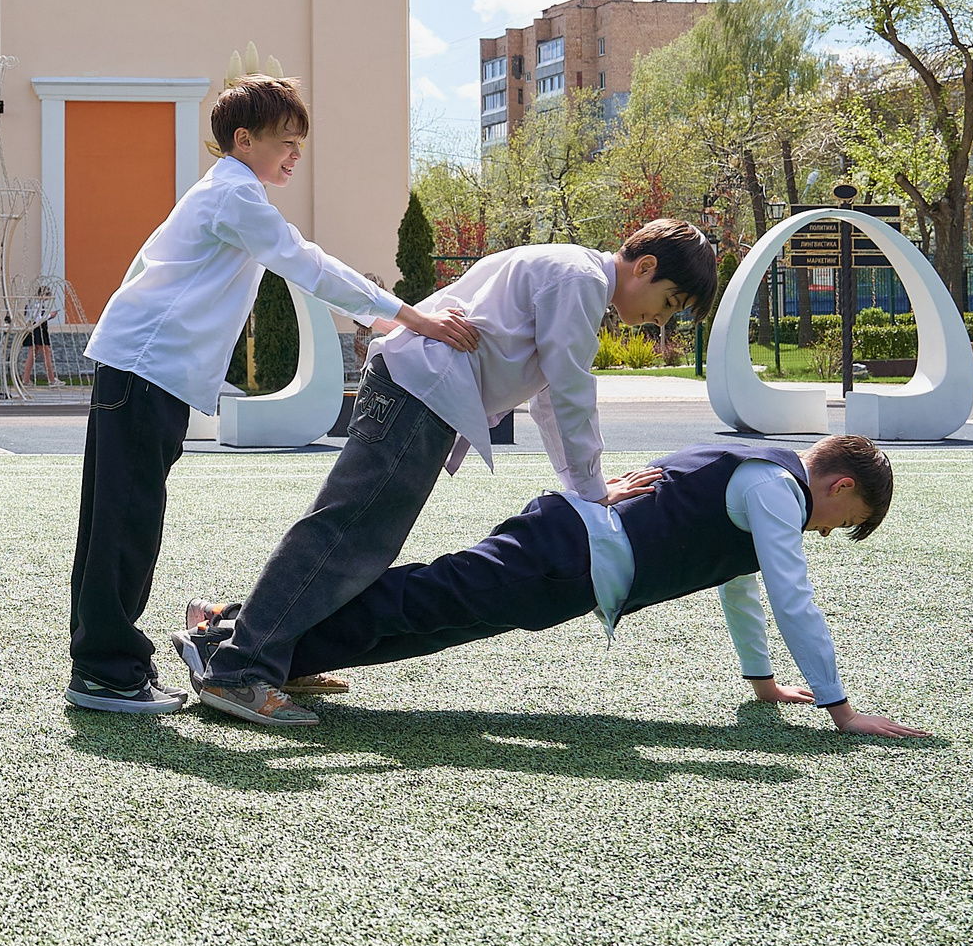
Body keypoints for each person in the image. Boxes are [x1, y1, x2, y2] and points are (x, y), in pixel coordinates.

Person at [185, 216, 717, 725]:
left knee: (356, 540)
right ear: (645, 266)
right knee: (347, 536)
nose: (662, 320)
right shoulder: (579, 281)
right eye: (670, 303)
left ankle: (243, 641)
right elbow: (571, 390)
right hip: (416, 395)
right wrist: (594, 490)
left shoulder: (572, 273)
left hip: (417, 393)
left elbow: (552, 401)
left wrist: (588, 488)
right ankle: (239, 668)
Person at [66, 75, 481, 716]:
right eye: (285, 141)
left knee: (118, 517)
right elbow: (307, 263)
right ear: (243, 139)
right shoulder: (235, 195)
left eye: (299, 144)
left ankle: (108, 665)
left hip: (140, 368)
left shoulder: (227, 192)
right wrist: (411, 318)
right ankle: (105, 673)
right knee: (124, 520)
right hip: (143, 369)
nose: (295, 154)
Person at [175, 436, 927, 739]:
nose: (827, 532)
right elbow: (792, 596)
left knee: (422, 620)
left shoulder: (763, 483)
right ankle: (228, 639)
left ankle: (257, 645)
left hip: (568, 564)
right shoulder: (777, 490)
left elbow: (742, 588)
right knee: (419, 603)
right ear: (840, 485)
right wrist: (841, 710)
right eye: (844, 520)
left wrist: (762, 683)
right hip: (565, 554)